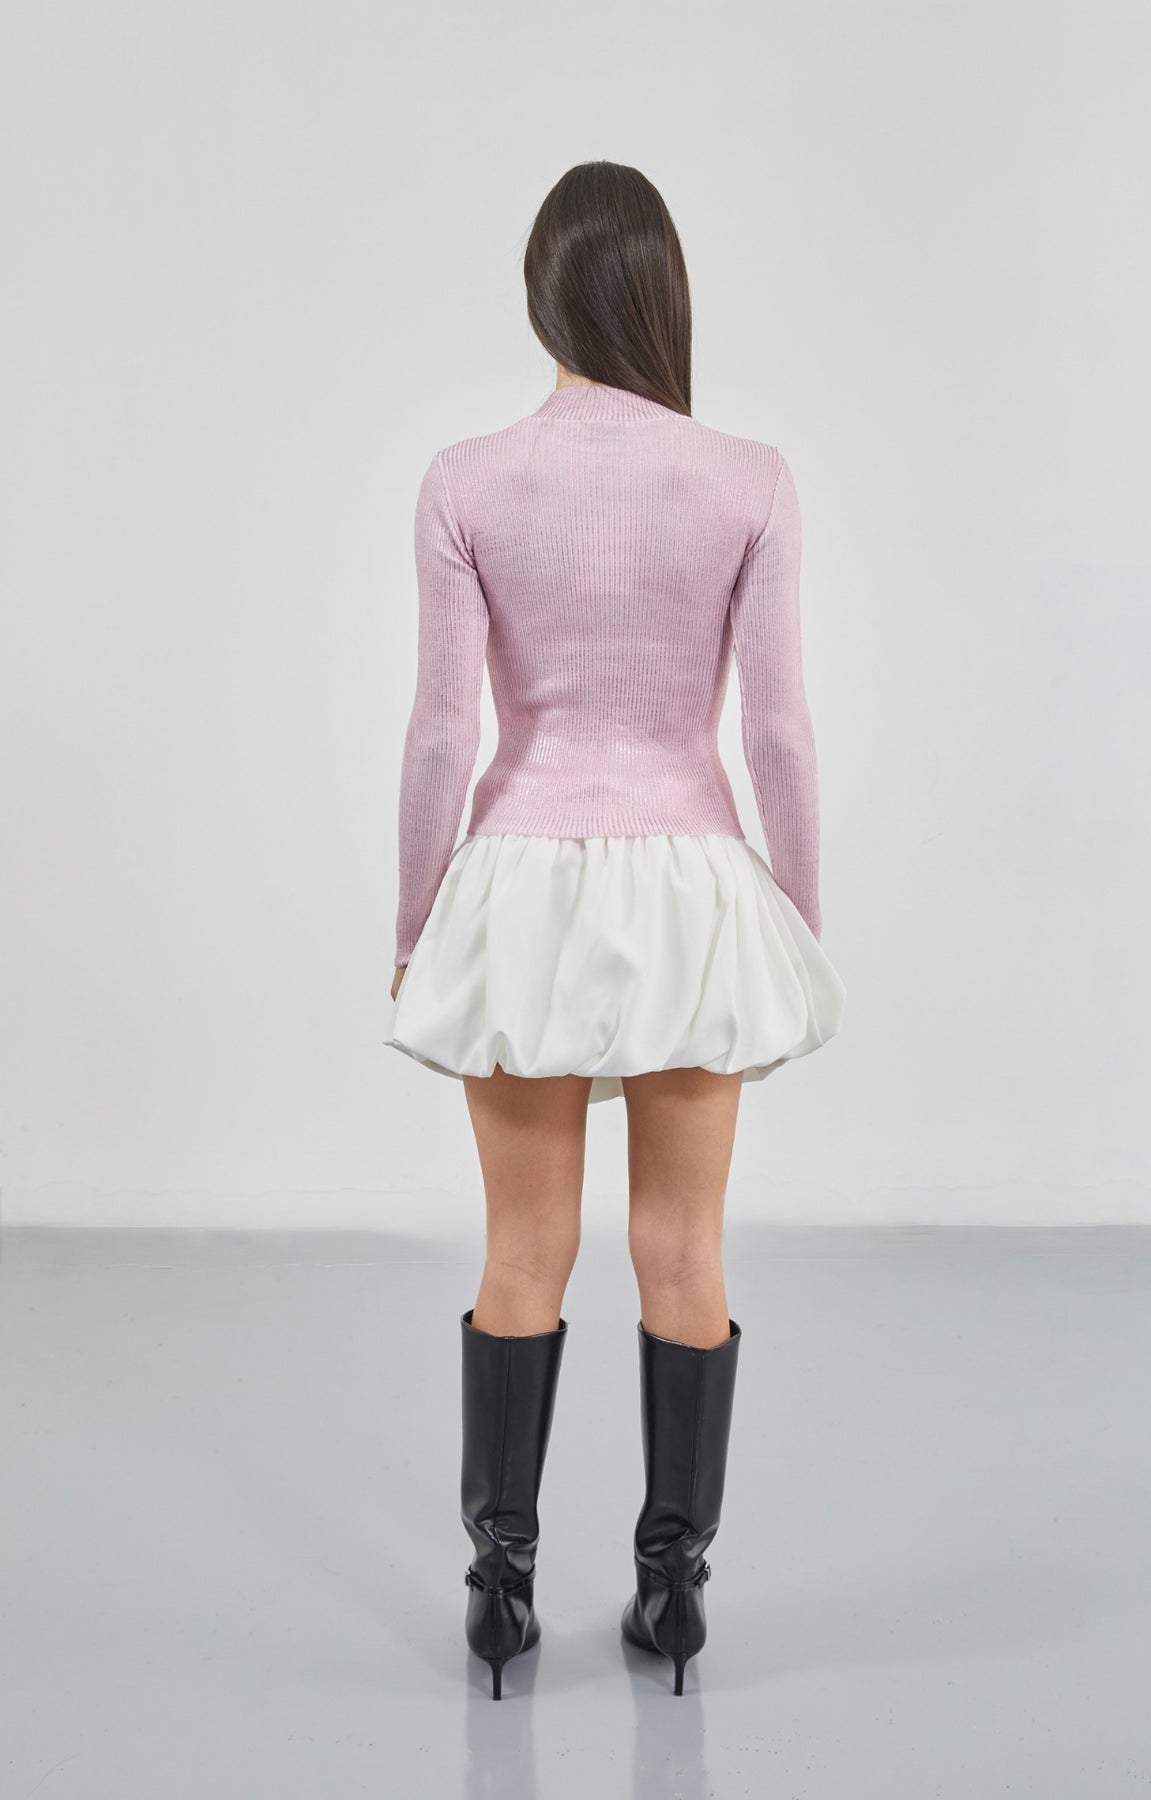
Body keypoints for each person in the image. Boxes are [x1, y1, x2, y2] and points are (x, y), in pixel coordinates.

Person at [382, 160, 846, 1699]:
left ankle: (499, 1595)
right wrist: (796, 912)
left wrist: (415, 920)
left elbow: (442, 734)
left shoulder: (465, 481)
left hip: (518, 881)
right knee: (682, 1247)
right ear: (662, 294)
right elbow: (776, 732)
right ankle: (674, 1596)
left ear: (541, 297)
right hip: (692, 885)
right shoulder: (749, 479)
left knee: (524, 1246)